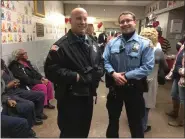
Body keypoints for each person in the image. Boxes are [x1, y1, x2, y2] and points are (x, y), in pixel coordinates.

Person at [44, 8, 104, 138]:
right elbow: (50, 70)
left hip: (87, 94)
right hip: (69, 97)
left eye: (84, 19)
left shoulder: (92, 42)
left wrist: (97, 73)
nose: (82, 22)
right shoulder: (60, 45)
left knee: (84, 129)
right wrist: (75, 76)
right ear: (70, 21)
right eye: (78, 18)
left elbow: (100, 61)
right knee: (69, 131)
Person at [103, 11, 154, 138]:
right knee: (113, 122)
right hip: (115, 88)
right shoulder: (111, 43)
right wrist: (113, 73)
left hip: (134, 89)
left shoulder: (145, 43)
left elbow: (147, 67)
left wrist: (126, 76)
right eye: (122, 22)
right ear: (119, 24)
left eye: (128, 20)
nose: (125, 24)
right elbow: (105, 60)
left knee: (136, 124)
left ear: (134, 22)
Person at [140, 27, 169, 132]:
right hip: (151, 80)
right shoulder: (158, 51)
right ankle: (142, 127)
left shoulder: (137, 48)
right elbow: (165, 67)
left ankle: (134, 123)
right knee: (146, 104)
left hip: (138, 79)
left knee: (137, 102)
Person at [167, 43, 185, 127]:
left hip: (183, 77)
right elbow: (179, 58)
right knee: (174, 94)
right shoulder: (183, 45)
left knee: (183, 100)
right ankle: (175, 112)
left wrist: (179, 70)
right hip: (177, 76)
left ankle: (180, 120)